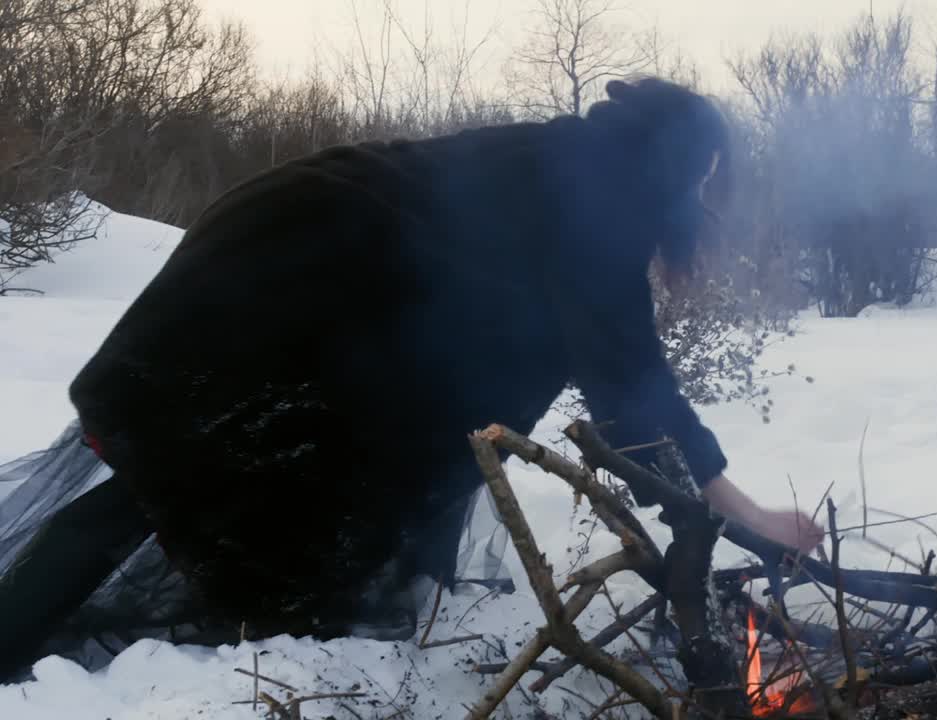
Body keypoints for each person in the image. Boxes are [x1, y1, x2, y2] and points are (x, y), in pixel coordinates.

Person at [19, 77, 823, 655]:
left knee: (188, 470)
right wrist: (741, 511)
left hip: (274, 257)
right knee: (167, 470)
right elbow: (629, 382)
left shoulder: (563, 161)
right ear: (674, 160)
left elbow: (519, 350)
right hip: (267, 294)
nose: (703, 195)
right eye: (703, 173)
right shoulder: (597, 197)